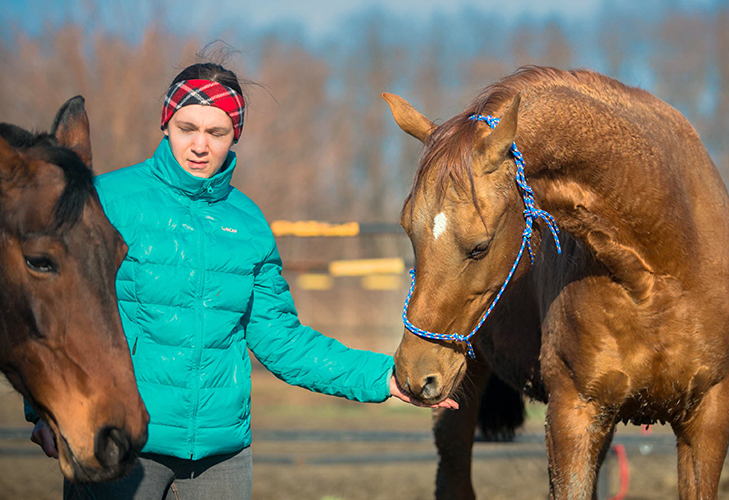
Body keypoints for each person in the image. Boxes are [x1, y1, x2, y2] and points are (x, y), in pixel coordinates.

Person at [27, 61, 456, 500]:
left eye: (217, 132)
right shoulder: (105, 200)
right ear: (165, 124)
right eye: (187, 128)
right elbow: (48, 306)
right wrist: (44, 409)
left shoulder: (248, 224)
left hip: (221, 458)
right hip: (119, 440)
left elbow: (283, 341)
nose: (200, 145)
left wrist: (383, 378)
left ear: (235, 136)